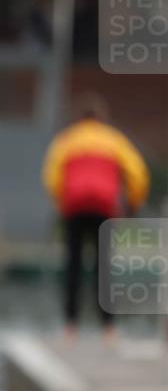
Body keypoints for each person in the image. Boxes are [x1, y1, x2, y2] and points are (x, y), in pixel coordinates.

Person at [42, 93, 149, 344]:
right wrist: (133, 203)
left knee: (73, 266)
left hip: (75, 207)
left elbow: (51, 175)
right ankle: (108, 329)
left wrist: (61, 201)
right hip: (104, 207)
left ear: (80, 118)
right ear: (102, 118)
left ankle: (70, 327)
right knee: (104, 268)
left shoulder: (66, 140)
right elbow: (137, 173)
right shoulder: (114, 140)